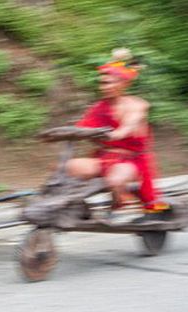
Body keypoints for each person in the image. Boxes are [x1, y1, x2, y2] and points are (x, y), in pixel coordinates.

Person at [66, 48, 170, 217]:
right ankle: (77, 205)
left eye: (108, 82)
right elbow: (83, 127)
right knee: (70, 167)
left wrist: (117, 133)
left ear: (123, 83)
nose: (103, 86)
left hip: (131, 161)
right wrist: (71, 132)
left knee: (115, 179)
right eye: (102, 82)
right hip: (103, 158)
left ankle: (124, 205)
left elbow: (130, 124)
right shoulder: (99, 107)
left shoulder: (137, 104)